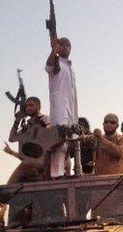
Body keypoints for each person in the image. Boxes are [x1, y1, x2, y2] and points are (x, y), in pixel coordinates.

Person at [46, 37, 78, 178]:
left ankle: (67, 172)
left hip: (71, 108)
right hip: (59, 107)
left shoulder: (70, 66)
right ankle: (57, 174)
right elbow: (49, 67)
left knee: (72, 141)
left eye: (68, 45)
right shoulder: (56, 63)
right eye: (62, 44)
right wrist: (54, 49)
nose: (66, 47)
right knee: (59, 141)